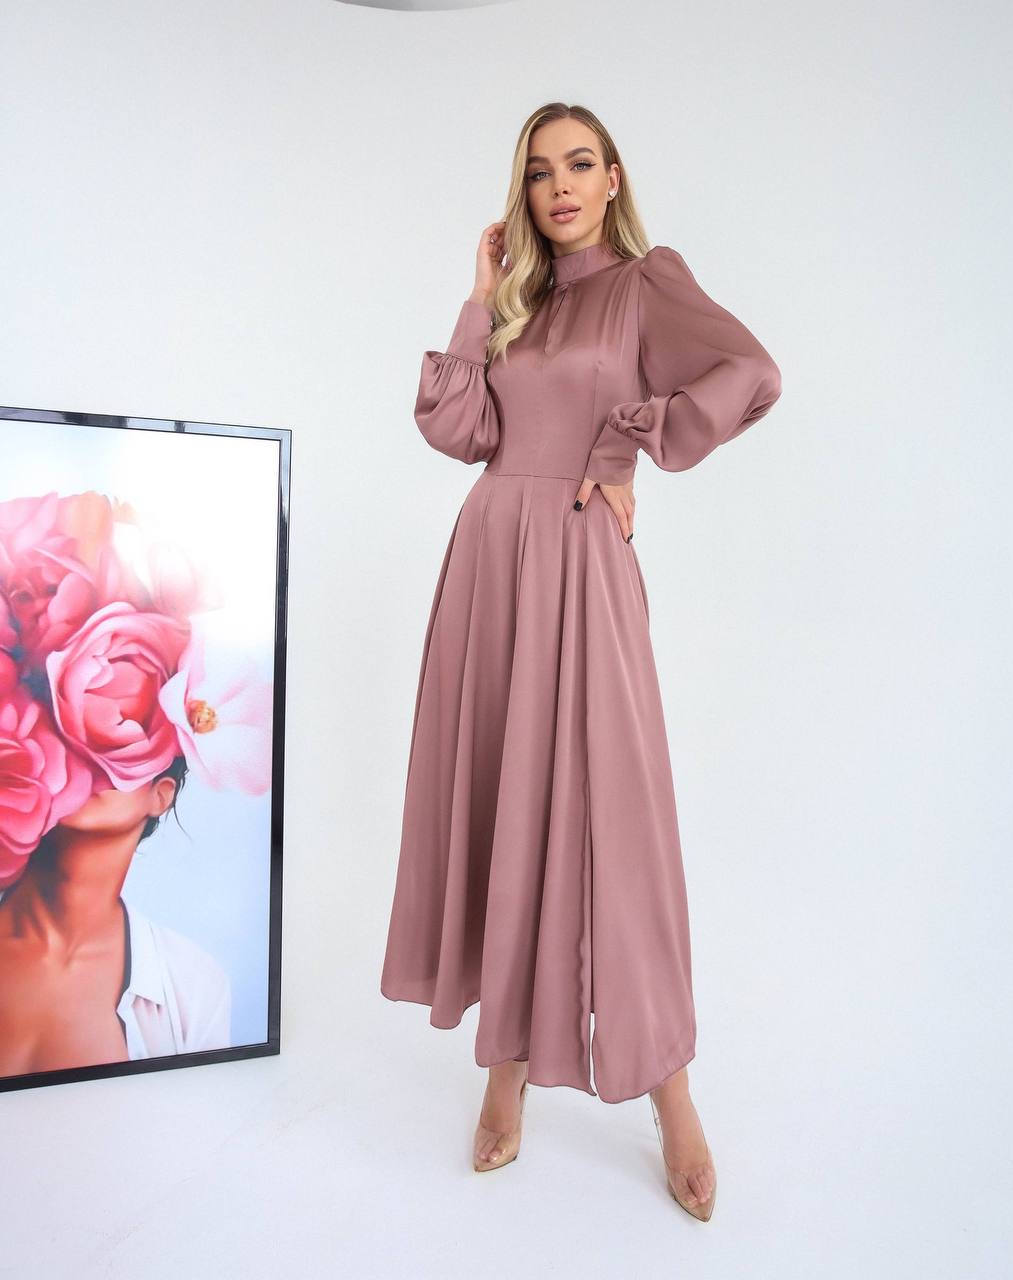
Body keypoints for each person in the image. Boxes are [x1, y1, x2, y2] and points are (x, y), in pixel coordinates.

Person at [380, 101, 782, 1221]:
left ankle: (672, 1089)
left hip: (582, 569)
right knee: (504, 796)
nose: (558, 186)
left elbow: (750, 371)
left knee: (621, 818)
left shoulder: (647, 283)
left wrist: (629, 442)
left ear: (611, 178)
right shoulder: (520, 304)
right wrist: (477, 291)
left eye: (578, 165)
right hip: (489, 567)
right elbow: (454, 426)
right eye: (539, 171)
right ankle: (505, 1064)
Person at [0, 757, 232, 1076]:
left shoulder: (194, 984)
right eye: (70, 742)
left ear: (161, 795)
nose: (92, 756)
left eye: (125, 734)